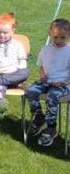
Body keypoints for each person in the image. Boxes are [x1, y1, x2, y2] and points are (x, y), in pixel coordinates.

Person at [25, 18, 70, 147]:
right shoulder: (45, 49)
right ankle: (39, 117)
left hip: (64, 85)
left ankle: (51, 128)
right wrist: (43, 75)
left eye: (63, 37)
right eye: (55, 37)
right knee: (31, 90)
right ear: (49, 34)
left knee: (52, 96)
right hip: (47, 82)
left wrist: (63, 82)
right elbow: (40, 65)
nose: (59, 40)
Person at [0, 13, 29, 119]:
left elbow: (23, 63)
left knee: (25, 72)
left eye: (5, 32)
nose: (2, 35)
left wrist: (16, 70)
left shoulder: (17, 45)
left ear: (13, 31)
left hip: (14, 75)